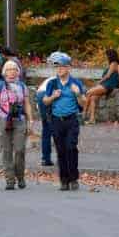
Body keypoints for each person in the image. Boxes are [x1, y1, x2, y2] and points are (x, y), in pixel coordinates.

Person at [43, 51, 86, 191]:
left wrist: (78, 93)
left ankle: (74, 178)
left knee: (71, 147)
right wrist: (53, 97)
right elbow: (45, 101)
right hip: (56, 120)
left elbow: (84, 103)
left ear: (68, 68)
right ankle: (64, 179)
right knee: (60, 150)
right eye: (57, 67)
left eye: (62, 67)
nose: (59, 70)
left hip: (71, 119)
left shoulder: (76, 83)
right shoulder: (52, 83)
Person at [0, 59, 33, 190]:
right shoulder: (0, 85)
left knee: (20, 150)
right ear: (4, 72)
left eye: (14, 69)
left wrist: (30, 121)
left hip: (19, 120)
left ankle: (20, 176)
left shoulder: (22, 86)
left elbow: (27, 104)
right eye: (8, 69)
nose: (11, 72)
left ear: (18, 72)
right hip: (3, 120)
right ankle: (9, 179)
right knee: (6, 151)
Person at [83, 49, 119, 124]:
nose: (106, 57)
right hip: (105, 85)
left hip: (107, 85)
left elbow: (108, 76)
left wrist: (99, 82)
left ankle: (83, 114)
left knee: (88, 93)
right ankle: (92, 119)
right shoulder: (112, 64)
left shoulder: (114, 63)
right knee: (93, 98)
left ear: (111, 55)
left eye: (107, 55)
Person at [35, 76, 55, 167]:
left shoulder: (49, 80)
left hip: (40, 95)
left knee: (46, 129)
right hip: (48, 95)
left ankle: (45, 159)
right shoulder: (65, 80)